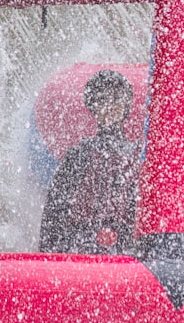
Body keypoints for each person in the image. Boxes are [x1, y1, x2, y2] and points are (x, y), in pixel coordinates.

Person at [39, 70, 140, 255]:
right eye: (102, 99)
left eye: (116, 99)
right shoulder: (79, 154)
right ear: (92, 107)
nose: (110, 106)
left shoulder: (136, 156)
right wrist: (48, 256)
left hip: (125, 250)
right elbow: (55, 211)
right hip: (82, 247)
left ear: (126, 105)